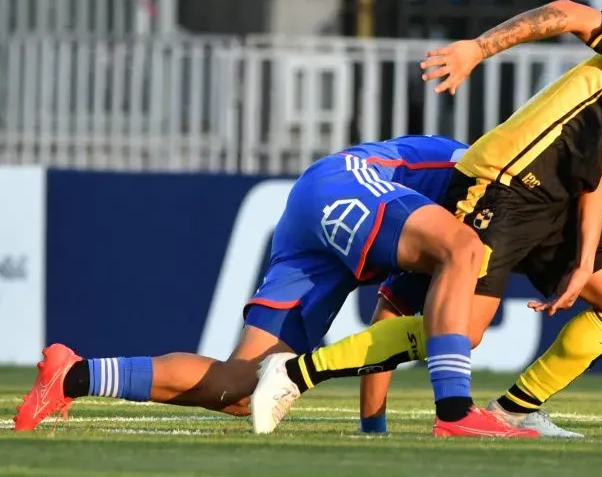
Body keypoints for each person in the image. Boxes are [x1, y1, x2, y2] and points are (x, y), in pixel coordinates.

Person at [251, 0, 602, 437]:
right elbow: (570, 12)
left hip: (557, 202)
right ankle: (296, 372)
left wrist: (583, 261)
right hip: (503, 185)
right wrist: (477, 49)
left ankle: (513, 411)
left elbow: (594, 168)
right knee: (462, 333)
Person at [13, 135, 538, 439]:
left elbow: (388, 327)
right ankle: (457, 412)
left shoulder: (443, 239)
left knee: (240, 387)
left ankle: (74, 375)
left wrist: (373, 432)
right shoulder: (482, 185)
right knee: (463, 254)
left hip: (317, 215)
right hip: (342, 184)